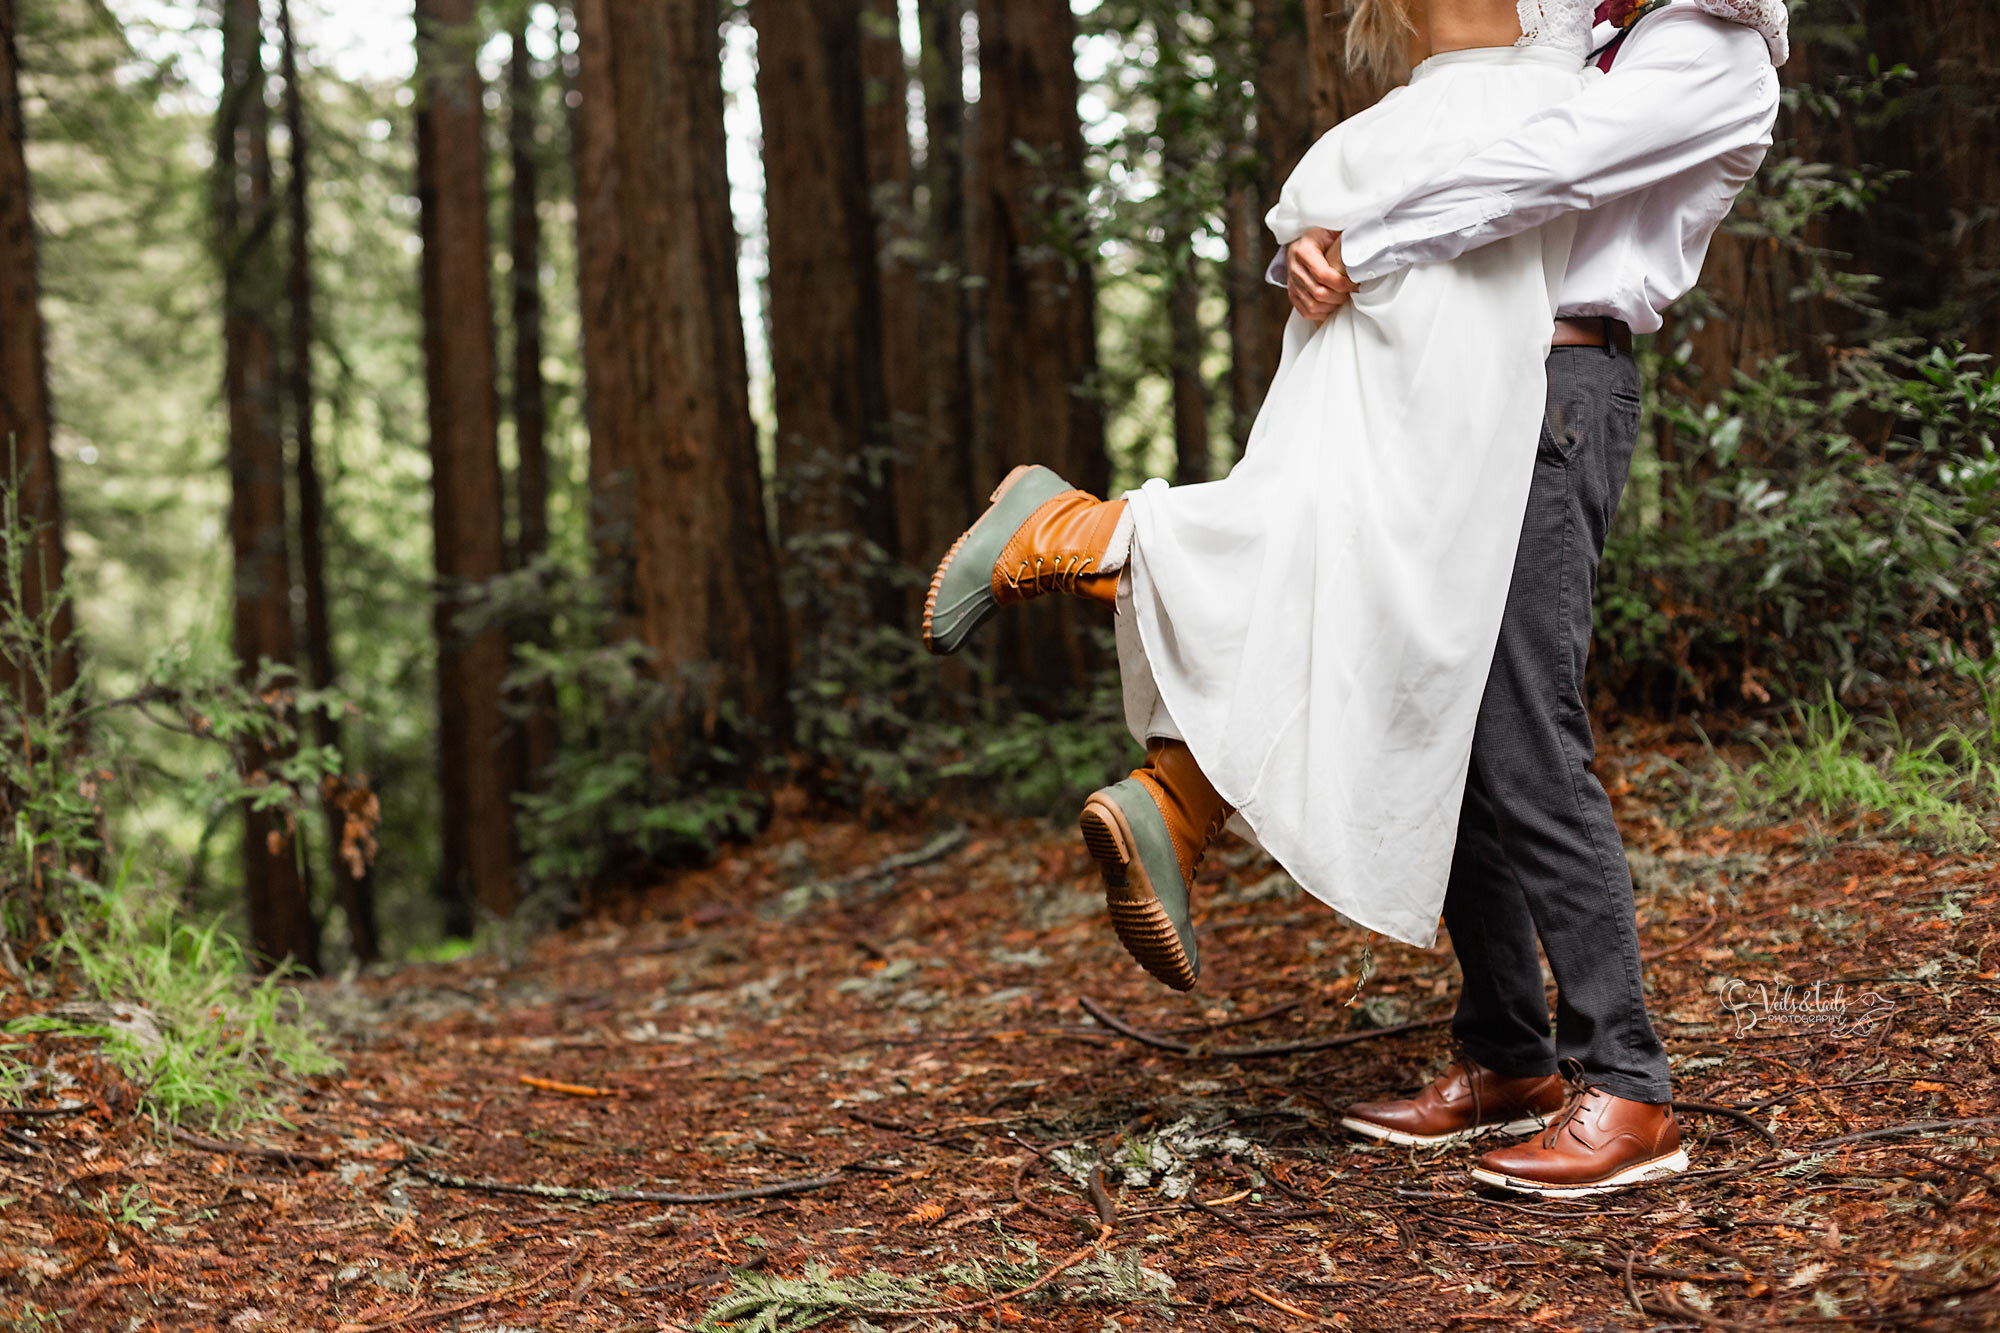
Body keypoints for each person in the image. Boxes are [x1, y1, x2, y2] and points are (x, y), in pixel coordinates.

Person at [924, 0, 1786, 1197]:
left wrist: (1361, 242)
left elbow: (1533, 168)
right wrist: (1309, 245)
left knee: (1525, 732)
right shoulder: (1561, 24)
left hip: (1553, 389)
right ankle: (1506, 1058)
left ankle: (1628, 1085)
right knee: (1453, 723)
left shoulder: (1708, 49)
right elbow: (1414, 138)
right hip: (1443, 378)